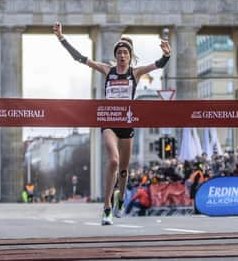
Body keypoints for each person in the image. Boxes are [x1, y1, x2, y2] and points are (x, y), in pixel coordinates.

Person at [53, 22, 171, 225]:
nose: (122, 56)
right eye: (119, 53)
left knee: (124, 170)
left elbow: (158, 65)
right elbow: (80, 58)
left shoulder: (135, 73)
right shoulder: (108, 71)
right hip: (109, 121)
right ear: (115, 55)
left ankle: (121, 198)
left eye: (125, 53)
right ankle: (107, 207)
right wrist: (62, 38)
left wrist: (167, 55)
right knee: (114, 162)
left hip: (127, 123)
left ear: (130, 56)